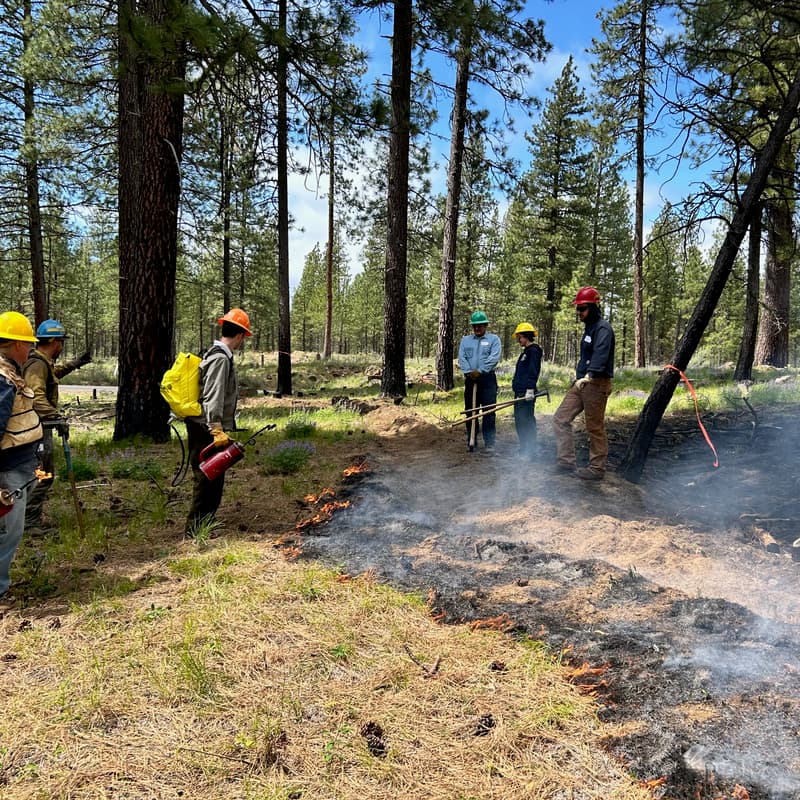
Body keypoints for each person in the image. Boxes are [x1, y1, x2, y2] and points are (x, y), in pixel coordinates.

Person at [184, 308, 252, 534]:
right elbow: (213, 394)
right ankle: (195, 530)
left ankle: (203, 525)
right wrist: (216, 428)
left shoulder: (214, 353)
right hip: (206, 426)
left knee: (213, 477)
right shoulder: (220, 358)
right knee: (207, 478)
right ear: (241, 335)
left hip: (204, 425)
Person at [22, 319, 91, 528]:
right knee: (43, 475)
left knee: (39, 473)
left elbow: (52, 375)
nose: (61, 346)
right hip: (37, 428)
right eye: (61, 341)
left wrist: (75, 364)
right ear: (54, 342)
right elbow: (35, 396)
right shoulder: (37, 364)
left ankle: (26, 518)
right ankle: (30, 523)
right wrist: (56, 417)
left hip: (37, 426)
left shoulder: (41, 362)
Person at [0, 311, 43, 600]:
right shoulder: (3, 380)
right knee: (7, 532)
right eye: (27, 343)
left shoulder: (8, 374)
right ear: (15, 344)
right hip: (8, 470)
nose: (30, 349)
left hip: (17, 466)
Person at [552, 287, 615, 480]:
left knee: (594, 427)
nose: (579, 313)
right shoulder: (589, 328)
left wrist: (589, 375)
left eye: (583, 309)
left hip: (596, 383)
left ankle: (597, 468)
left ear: (595, 307)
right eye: (577, 309)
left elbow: (600, 354)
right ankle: (566, 462)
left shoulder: (603, 328)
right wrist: (580, 377)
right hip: (581, 383)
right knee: (560, 418)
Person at [457, 311, 501, 454]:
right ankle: (472, 440)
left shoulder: (494, 340)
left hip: (487, 380)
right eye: (474, 326)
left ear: (486, 325)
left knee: (488, 411)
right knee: (471, 411)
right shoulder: (466, 340)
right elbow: (462, 358)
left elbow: (494, 357)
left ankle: (489, 443)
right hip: (470, 380)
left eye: (480, 325)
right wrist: (469, 372)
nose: (477, 328)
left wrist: (481, 370)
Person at [511, 322, 543, 461]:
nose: (519, 340)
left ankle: (531, 451)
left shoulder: (534, 351)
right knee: (519, 421)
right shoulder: (526, 352)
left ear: (526, 336)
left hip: (526, 393)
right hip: (519, 392)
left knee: (526, 421)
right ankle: (524, 449)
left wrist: (530, 389)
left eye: (520, 337)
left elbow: (533, 371)